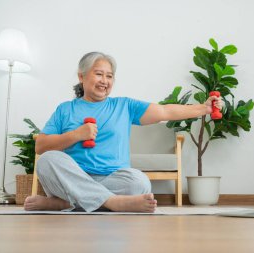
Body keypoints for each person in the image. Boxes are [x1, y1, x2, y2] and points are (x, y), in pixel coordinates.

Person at [24, 52, 222, 213]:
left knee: (139, 182)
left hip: (113, 178)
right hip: (72, 177)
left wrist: (203, 109)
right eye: (99, 74)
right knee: (47, 160)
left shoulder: (124, 106)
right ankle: (112, 202)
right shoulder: (65, 109)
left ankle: (66, 203)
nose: (105, 81)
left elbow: (165, 111)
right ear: (81, 76)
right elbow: (41, 146)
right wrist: (76, 135)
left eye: (109, 76)